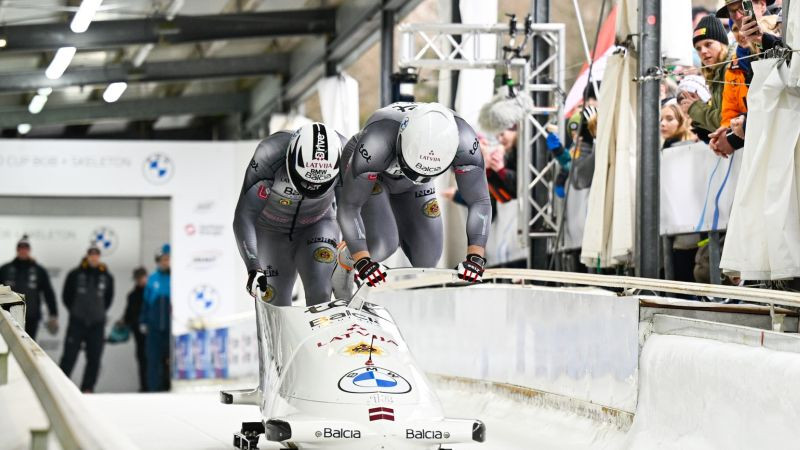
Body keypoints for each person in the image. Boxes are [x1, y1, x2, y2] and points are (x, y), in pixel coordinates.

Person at [334, 102, 491, 291]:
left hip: (412, 183)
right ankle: (344, 260)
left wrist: (475, 256)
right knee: (383, 244)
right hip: (374, 172)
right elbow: (350, 207)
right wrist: (362, 260)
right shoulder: (376, 143)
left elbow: (480, 201)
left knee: (428, 256)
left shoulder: (465, 142)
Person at [233, 122, 346, 306]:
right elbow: (245, 215)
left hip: (318, 224)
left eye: (319, 184)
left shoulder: (346, 153)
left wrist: (355, 253)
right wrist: (253, 267)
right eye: (306, 181)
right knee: (274, 302)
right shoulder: (269, 154)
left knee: (321, 292)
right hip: (271, 230)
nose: (311, 188)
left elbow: (351, 208)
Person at [59, 245, 114, 393]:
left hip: (97, 324)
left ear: (99, 257)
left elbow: (108, 300)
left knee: (94, 358)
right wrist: (76, 311)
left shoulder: (106, 276)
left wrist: (98, 313)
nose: (94, 257)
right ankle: (60, 388)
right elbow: (66, 297)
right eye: (91, 254)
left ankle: (88, 388)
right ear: (87, 256)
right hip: (77, 322)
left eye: (97, 255)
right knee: (69, 357)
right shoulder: (75, 274)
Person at [661, 103, 701, 283]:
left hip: (687, 231)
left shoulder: (688, 150)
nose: (663, 123)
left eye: (669, 119)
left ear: (681, 121)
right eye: (661, 119)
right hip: (672, 233)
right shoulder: (663, 150)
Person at [679, 14, 733, 138]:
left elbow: (727, 120)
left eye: (708, 44)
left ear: (722, 43)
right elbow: (720, 126)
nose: (703, 51)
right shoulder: (715, 73)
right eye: (698, 48)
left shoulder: (731, 68)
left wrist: (696, 109)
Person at [0, 235, 58, 340]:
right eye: (21, 248)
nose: (23, 251)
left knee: (28, 349)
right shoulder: (5, 269)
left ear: (29, 250)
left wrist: (53, 314)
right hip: (9, 318)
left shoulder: (39, 271)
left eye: (25, 248)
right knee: (10, 350)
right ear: (17, 250)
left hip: (31, 318)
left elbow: (48, 293)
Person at [140, 244, 171, 392]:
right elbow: (146, 302)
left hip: (171, 329)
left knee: (171, 361)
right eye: (163, 260)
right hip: (154, 328)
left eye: (168, 259)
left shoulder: (177, 278)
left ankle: (169, 387)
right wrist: (143, 320)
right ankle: (154, 389)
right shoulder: (153, 279)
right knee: (153, 360)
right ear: (158, 261)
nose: (166, 262)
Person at [122, 267, 147, 392]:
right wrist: (124, 322)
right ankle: (144, 386)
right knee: (142, 359)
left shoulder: (152, 292)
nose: (141, 280)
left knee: (156, 360)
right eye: (138, 278)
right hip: (138, 333)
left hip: (153, 332)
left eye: (142, 277)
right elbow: (128, 313)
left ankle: (157, 386)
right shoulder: (132, 295)